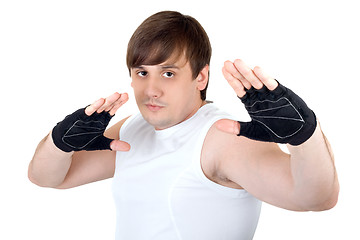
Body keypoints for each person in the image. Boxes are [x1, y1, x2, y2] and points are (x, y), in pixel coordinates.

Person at [28, 10, 339, 240]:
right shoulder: (131, 130)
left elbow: (316, 198)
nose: (151, 90)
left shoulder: (223, 138)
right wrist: (59, 142)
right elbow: (48, 177)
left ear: (200, 77)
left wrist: (305, 137)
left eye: (168, 73)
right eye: (141, 72)